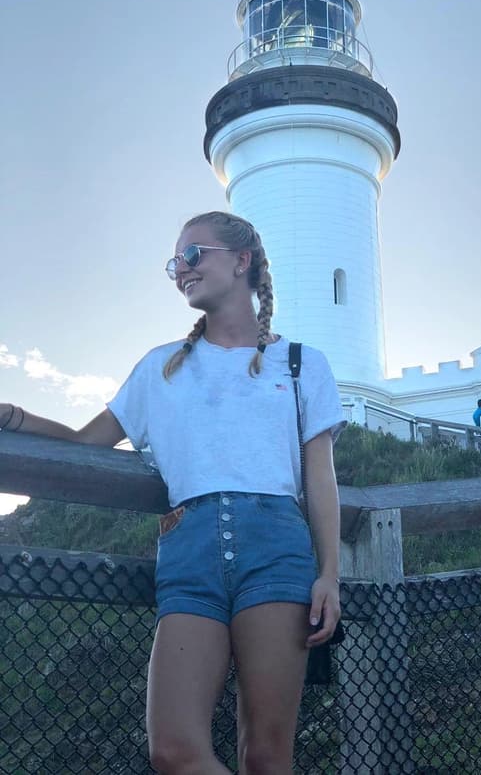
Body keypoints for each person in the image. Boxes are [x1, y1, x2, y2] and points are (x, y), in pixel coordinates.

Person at [0, 210, 345, 775]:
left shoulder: (303, 364)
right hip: (189, 551)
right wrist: (16, 417)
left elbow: (319, 479)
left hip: (277, 550)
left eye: (192, 255)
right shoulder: (160, 367)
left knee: (265, 755)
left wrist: (328, 574)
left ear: (242, 260)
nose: (181, 270)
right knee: (173, 751)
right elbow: (86, 443)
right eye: (174, 263)